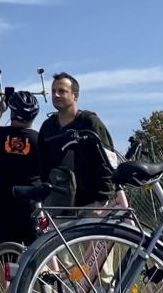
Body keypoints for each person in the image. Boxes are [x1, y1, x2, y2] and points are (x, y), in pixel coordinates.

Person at [38, 73, 114, 208]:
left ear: (75, 96)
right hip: (57, 206)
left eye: (62, 91)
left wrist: (101, 201)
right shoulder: (47, 127)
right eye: (53, 91)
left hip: (90, 205)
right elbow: (41, 167)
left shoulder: (89, 123)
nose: (56, 95)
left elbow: (108, 163)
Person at [0, 89, 41, 245]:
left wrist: (1, 109)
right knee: (36, 247)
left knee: (5, 248)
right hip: (31, 203)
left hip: (4, 202)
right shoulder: (39, 139)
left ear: (12, 112)